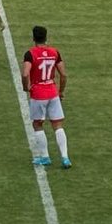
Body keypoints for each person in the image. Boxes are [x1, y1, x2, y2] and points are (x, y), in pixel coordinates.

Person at [23, 26, 70, 169]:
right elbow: (63, 74)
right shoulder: (55, 52)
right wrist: (61, 91)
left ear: (33, 38)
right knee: (57, 125)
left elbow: (25, 74)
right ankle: (65, 157)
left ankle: (45, 157)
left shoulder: (30, 54)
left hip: (38, 93)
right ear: (46, 37)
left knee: (37, 124)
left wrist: (26, 88)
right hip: (52, 92)